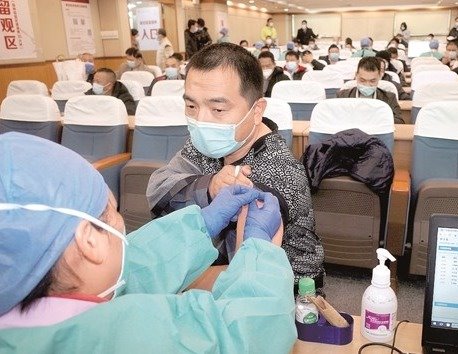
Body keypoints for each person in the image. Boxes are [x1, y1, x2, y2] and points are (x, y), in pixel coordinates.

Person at [0, 132, 297, 353]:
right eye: (112, 211)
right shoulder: (127, 337)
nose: (119, 222)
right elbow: (246, 333)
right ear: (89, 240)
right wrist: (259, 250)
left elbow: (133, 269)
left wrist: (202, 224)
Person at [146, 43, 325, 292]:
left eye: (218, 109)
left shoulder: (276, 172)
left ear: (256, 111)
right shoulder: (209, 143)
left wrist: (161, 274)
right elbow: (158, 187)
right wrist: (209, 187)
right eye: (191, 106)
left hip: (280, 298)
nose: (201, 120)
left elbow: (244, 276)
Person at [337, 57, 404, 124]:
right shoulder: (342, 96)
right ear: (356, 75)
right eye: (362, 80)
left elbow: (399, 122)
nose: (367, 85)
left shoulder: (389, 97)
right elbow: (334, 119)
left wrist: (375, 119)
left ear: (380, 76)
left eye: (372, 81)